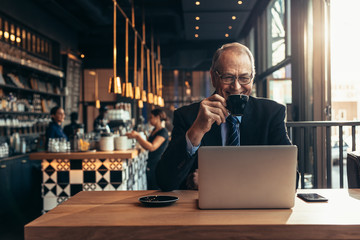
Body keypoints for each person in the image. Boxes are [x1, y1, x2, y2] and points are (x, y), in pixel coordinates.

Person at [156, 42, 292, 191]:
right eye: (228, 77)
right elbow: (164, 181)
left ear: (252, 78)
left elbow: (291, 179)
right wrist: (197, 131)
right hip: (202, 212)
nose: (236, 87)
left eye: (244, 78)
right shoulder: (188, 116)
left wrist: (214, 179)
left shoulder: (271, 114)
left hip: (255, 209)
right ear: (213, 77)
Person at [126, 109, 169, 190]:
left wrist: (137, 136)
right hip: (151, 164)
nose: (149, 120)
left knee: (155, 188)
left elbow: (152, 147)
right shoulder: (154, 130)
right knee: (150, 187)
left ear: (158, 117)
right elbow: (147, 146)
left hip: (157, 165)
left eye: (151, 117)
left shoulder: (163, 132)